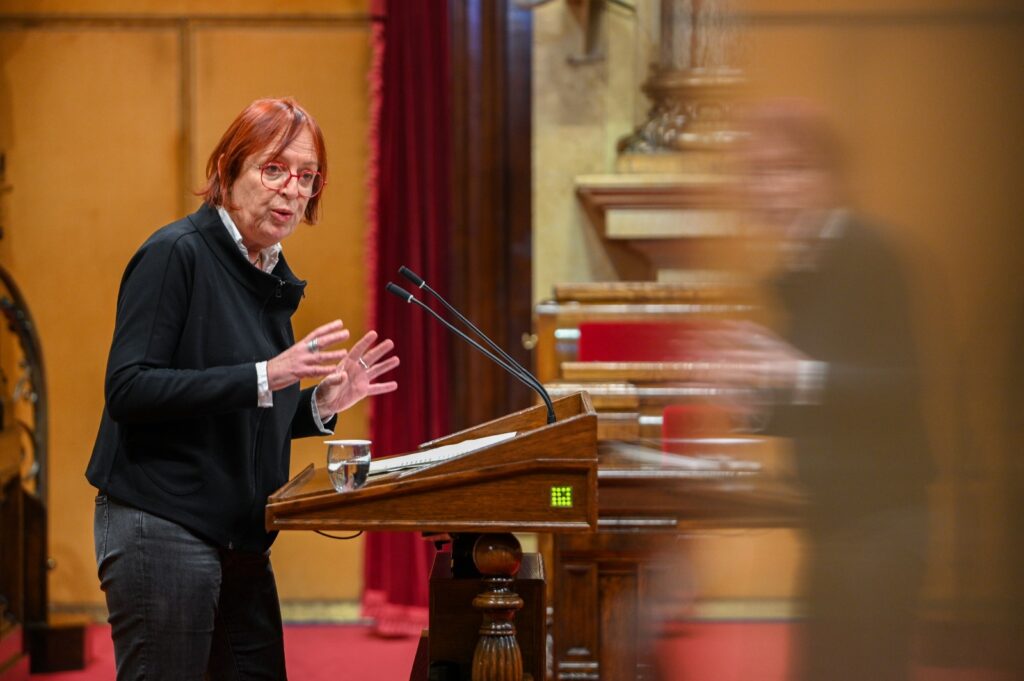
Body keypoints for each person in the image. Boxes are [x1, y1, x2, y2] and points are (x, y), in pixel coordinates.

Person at [86, 97, 399, 680]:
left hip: (241, 537)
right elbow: (129, 389)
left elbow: (242, 402)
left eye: (307, 176)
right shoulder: (176, 254)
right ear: (228, 171)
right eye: (273, 169)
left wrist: (320, 404)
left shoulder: (265, 271)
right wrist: (269, 374)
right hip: (162, 522)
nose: (291, 189)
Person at [705, 101, 933, 681]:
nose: (769, 189)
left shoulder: (869, 251)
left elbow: (903, 387)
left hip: (883, 520)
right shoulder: (800, 269)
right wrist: (751, 409)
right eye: (757, 173)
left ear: (826, 177)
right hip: (833, 520)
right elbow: (821, 402)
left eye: (786, 169)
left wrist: (793, 373)